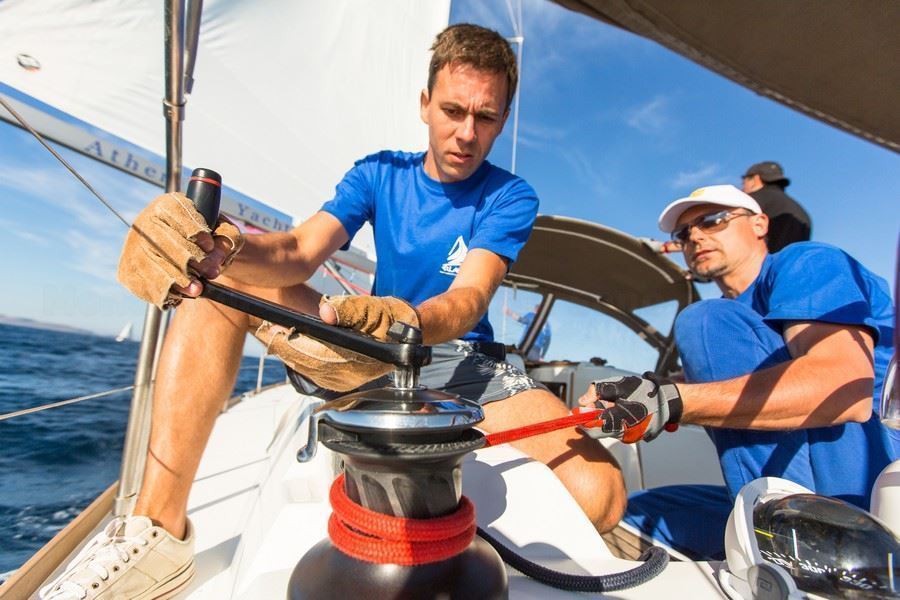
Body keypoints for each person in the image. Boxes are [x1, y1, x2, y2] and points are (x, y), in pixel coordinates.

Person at [39, 24, 625, 600]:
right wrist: (220, 248)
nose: (466, 133)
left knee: (599, 493)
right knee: (221, 282)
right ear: (425, 104)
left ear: (503, 118)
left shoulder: (510, 195)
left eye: (486, 117)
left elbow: (469, 298)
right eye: (452, 110)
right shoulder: (378, 174)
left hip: (459, 358)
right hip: (368, 348)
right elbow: (297, 250)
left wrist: (403, 321)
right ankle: (158, 530)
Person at [579, 184, 896, 559]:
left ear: (760, 224)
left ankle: (791, 556)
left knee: (703, 318)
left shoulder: (806, 262)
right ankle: (776, 540)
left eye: (712, 220)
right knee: (630, 514)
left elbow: (844, 389)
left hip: (869, 485)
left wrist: (671, 402)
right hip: (799, 494)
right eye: (683, 233)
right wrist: (646, 391)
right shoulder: (734, 326)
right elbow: (730, 379)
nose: (695, 237)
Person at [741, 161, 811, 252]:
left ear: (755, 179)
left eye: (743, 183)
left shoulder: (750, 201)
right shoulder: (802, 212)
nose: (742, 188)